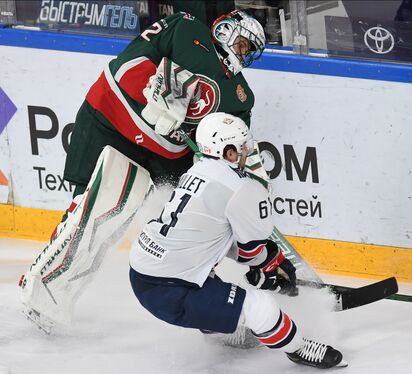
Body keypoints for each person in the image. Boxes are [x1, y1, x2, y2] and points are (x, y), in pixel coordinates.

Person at [19, 9, 266, 331]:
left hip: (168, 156)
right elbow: (126, 65)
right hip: (111, 125)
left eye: (251, 52)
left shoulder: (240, 96)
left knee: (195, 223)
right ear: (226, 30)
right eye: (245, 44)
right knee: (98, 210)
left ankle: (211, 308)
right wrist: (151, 90)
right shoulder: (184, 28)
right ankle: (45, 295)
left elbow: (231, 149)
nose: (244, 54)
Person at [129, 112, 347, 369]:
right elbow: (250, 252)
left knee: (205, 272)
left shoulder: (196, 170)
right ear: (229, 152)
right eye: (243, 147)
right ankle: (299, 348)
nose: (247, 152)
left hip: (141, 274)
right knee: (260, 307)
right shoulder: (242, 187)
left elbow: (219, 240)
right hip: (171, 291)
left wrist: (267, 264)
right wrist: (270, 264)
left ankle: (217, 326)